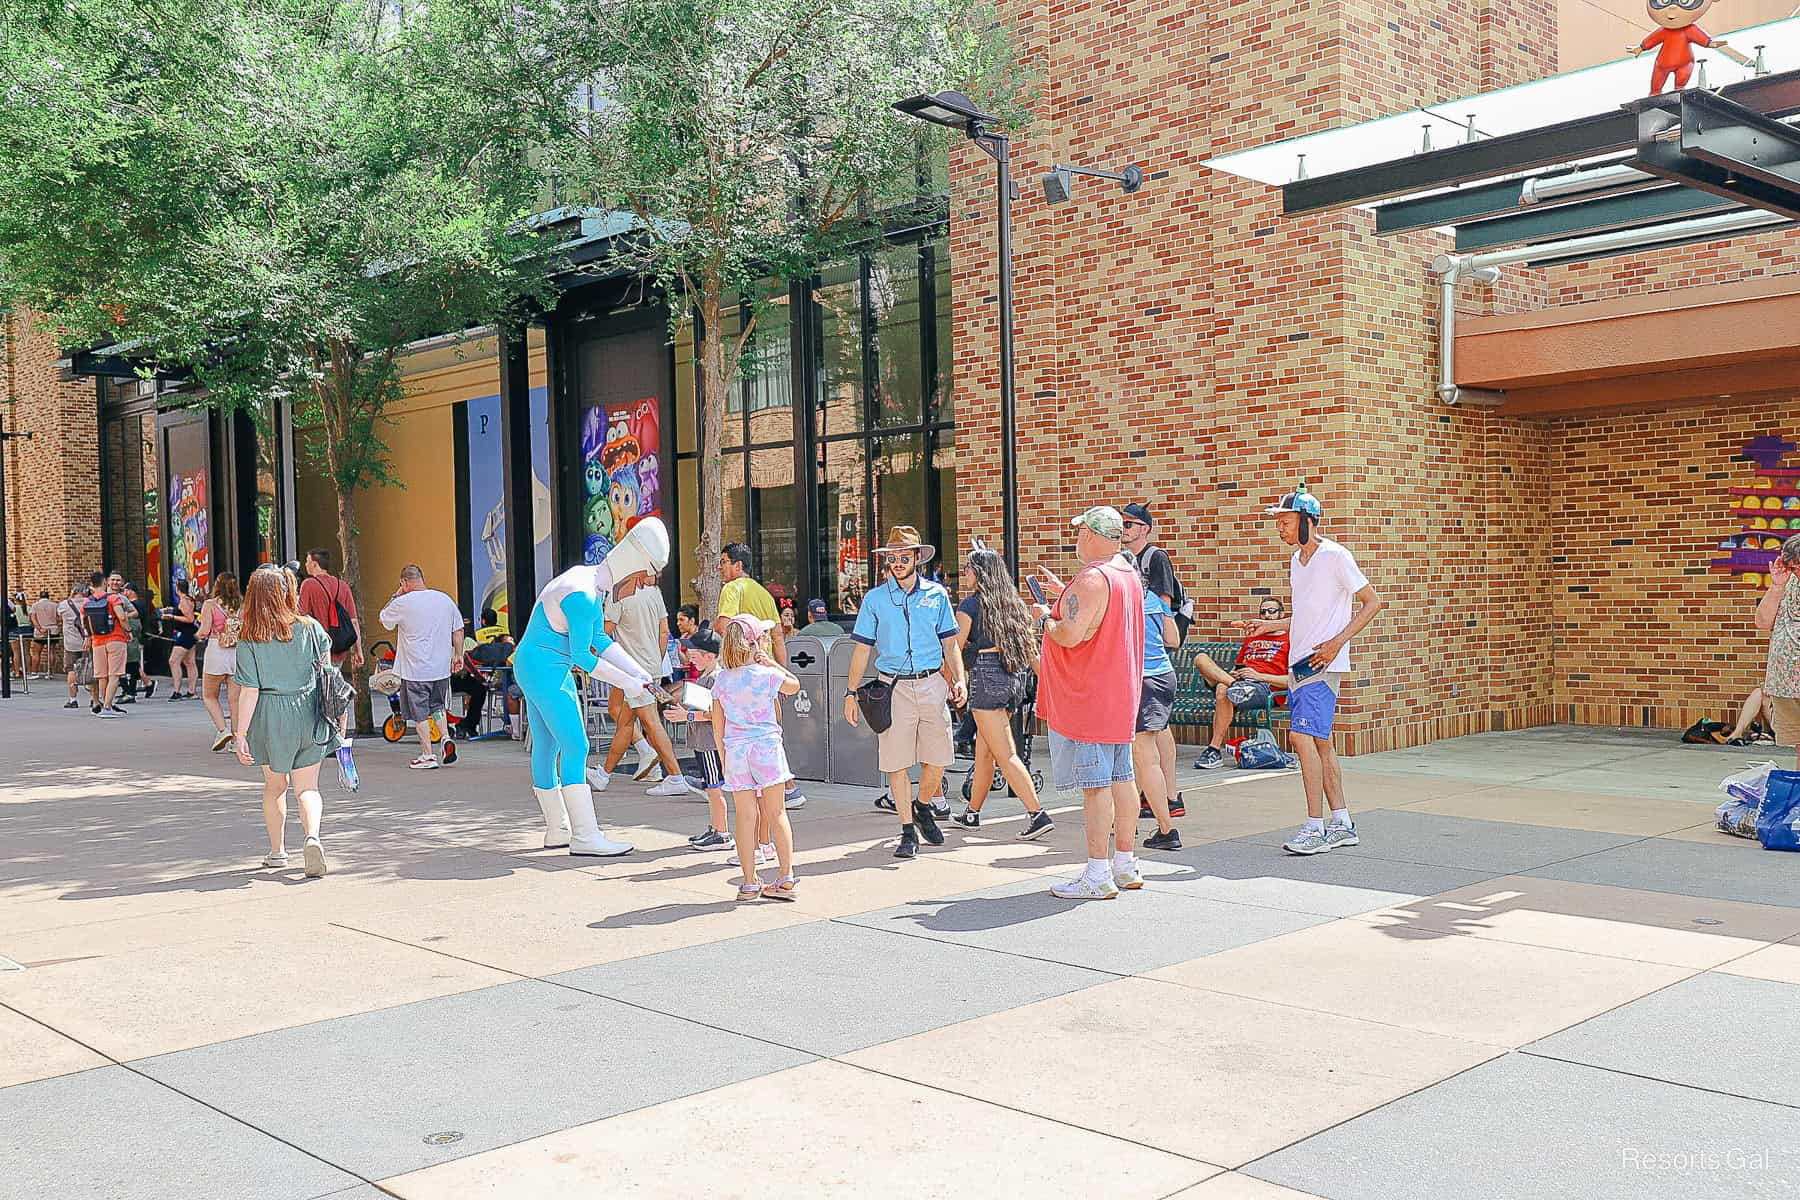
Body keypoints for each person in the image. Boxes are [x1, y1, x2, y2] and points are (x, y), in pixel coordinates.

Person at [513, 519, 669, 858]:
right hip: (546, 668)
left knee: (548, 744)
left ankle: (558, 829)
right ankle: (584, 836)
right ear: (631, 571)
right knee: (576, 744)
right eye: (642, 581)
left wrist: (637, 671)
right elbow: (584, 655)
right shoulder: (585, 595)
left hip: (536, 664)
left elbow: (600, 638)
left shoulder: (587, 582)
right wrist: (628, 681)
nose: (641, 588)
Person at [1244, 484, 1386, 856]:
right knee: (1321, 743)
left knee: (1301, 739)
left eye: (1286, 521)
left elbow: (1372, 603)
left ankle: (1314, 828)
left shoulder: (1336, 556)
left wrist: (1338, 642)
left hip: (1322, 663)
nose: (1280, 528)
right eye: (1279, 522)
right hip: (1299, 663)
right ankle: (1342, 823)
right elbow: (1307, 616)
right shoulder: (1297, 562)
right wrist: (1270, 626)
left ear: (1308, 521)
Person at [1033, 507, 1145, 900]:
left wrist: (1045, 617)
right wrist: (1063, 594)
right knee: (1122, 778)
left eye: (1081, 532)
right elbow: (1097, 617)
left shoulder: (1093, 578)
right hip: (1120, 694)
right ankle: (1125, 864)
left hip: (1089, 696)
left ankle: (1097, 873)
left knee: (1096, 787)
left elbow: (1069, 634)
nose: (1077, 539)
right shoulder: (1127, 574)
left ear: (1096, 535)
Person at [842, 525, 966, 859]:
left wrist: (960, 679)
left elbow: (950, 645)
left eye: (903, 556)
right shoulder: (875, 599)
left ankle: (923, 805)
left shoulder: (937, 595)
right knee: (896, 764)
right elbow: (862, 650)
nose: (897, 562)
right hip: (892, 687)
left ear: (916, 558)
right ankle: (907, 830)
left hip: (931, 684)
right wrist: (850, 692)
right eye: (892, 557)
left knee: (939, 758)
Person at [231, 565, 341, 877]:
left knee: (275, 786)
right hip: (309, 711)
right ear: (288, 592)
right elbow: (329, 675)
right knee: (308, 788)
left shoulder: (250, 638)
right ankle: (312, 838)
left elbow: (248, 690)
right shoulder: (311, 628)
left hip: (271, 715)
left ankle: (278, 852)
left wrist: (239, 733)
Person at [952, 543, 1053, 839]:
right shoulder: (1013, 604)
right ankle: (972, 813)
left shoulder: (970, 605)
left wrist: (951, 680)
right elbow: (1030, 650)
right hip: (1012, 679)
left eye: (968, 568)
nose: (965, 573)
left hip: (985, 676)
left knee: (1007, 754)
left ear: (980, 573)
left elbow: (954, 648)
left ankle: (1037, 813)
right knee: (987, 752)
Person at [713, 615, 802, 900]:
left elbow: (718, 726)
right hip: (766, 747)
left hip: (736, 750)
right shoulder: (767, 675)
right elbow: (794, 685)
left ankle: (749, 881)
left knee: (744, 816)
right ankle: (786, 876)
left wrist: (723, 757)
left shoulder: (722, 679)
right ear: (757, 642)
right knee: (776, 813)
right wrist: (771, 662)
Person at [587, 574, 691, 796]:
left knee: (649, 722)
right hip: (649, 665)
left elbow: (604, 631)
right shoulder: (654, 592)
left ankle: (675, 776)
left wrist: (588, 654)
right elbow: (664, 631)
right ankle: (604, 774)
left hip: (631, 668)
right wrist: (655, 659)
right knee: (625, 720)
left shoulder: (618, 594)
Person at [378, 565, 465, 770]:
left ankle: (428, 754)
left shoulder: (402, 602)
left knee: (419, 712)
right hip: (441, 667)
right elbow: (458, 629)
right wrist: (458, 655)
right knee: (437, 706)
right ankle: (445, 738)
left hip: (415, 669)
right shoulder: (444, 600)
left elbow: (384, 619)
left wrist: (396, 595)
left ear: (404, 583)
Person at [1195, 598, 1292, 770]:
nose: (1267, 615)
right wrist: (1234, 674)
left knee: (1223, 690)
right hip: (1241, 683)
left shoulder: (1290, 640)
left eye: (1272, 611)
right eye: (1263, 612)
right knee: (1201, 659)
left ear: (1282, 614)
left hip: (1265, 688)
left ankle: (1214, 750)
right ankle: (1235, 686)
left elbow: (1291, 681)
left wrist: (1260, 676)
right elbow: (1239, 665)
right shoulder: (1252, 638)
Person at [665, 628, 732, 849]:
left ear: (711, 655)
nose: (690, 657)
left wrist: (687, 715)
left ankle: (722, 833)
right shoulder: (707, 676)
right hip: (703, 741)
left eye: (695, 654)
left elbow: (716, 714)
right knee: (710, 787)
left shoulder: (715, 678)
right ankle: (715, 827)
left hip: (710, 742)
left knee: (714, 788)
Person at [1136, 582, 1184, 851]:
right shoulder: (1154, 599)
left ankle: (1166, 829)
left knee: (1142, 758)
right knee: (1145, 754)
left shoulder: (1124, 600)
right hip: (1164, 677)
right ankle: (1160, 824)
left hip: (1141, 679)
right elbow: (1173, 640)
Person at [1755, 534, 1800, 768]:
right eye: (1794, 566)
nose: (1797, 572)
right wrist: (1776, 587)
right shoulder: (1786, 580)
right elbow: (1762, 622)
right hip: (1786, 681)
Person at [1121, 502, 1191, 639]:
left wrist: (1157, 636)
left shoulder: (1156, 557)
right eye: (1121, 524)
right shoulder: (1123, 559)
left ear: (1144, 529)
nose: (1123, 529)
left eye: (1128, 525)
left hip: (1155, 633)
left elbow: (1164, 603)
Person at [193, 574, 244, 750]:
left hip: (217, 650)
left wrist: (197, 635)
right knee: (235, 699)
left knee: (209, 695)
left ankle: (223, 729)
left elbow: (204, 631)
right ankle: (237, 741)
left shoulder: (210, 605)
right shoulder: (241, 605)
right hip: (237, 652)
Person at [298, 547, 365, 679]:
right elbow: (353, 621)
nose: (305, 565)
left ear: (314, 564)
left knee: (318, 691)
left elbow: (301, 615)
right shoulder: (343, 585)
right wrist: (359, 651)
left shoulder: (308, 584)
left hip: (316, 649)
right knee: (333, 687)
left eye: (307, 561)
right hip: (339, 649)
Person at [82, 571, 133, 717]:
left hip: (97, 642)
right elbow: (122, 617)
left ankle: (105, 704)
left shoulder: (87, 602)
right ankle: (107, 707)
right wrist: (128, 631)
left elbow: (84, 623)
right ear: (105, 582)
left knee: (102, 676)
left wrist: (88, 637)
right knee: (114, 675)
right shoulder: (113, 598)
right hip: (115, 639)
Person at [56, 583, 92, 709]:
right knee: (91, 669)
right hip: (88, 641)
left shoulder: (64, 604)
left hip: (71, 643)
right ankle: (94, 698)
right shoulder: (90, 602)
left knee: (71, 670)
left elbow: (59, 616)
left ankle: (73, 699)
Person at [163, 581, 200, 699]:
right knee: (189, 662)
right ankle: (191, 691)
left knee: (173, 661)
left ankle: (177, 691)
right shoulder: (188, 599)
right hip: (189, 633)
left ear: (177, 589)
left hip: (186, 634)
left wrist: (172, 616)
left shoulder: (184, 600)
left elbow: (190, 618)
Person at [30, 589, 58, 677]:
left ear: (40, 597)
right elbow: (59, 618)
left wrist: (39, 628)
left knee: (36, 652)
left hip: (40, 631)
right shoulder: (55, 605)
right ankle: (50, 673)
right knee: (52, 652)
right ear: (48, 597)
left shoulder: (35, 605)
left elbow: (33, 619)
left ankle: (34, 672)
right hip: (53, 630)